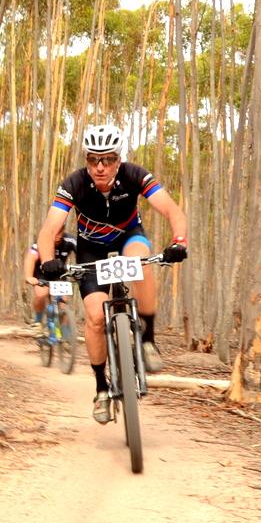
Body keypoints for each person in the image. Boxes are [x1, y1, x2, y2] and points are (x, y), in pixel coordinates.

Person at [35, 124, 187, 424]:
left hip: (129, 237)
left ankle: (148, 339)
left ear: (119, 159)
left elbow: (171, 210)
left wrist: (178, 242)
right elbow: (49, 228)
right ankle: (101, 389)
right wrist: (49, 260)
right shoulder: (74, 183)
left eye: (108, 159)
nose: (100, 167)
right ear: (86, 160)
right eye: (93, 159)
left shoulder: (135, 175)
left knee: (140, 261)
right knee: (93, 318)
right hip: (91, 249)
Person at [22, 224, 77, 331]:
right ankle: (38, 321)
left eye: (60, 234)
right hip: (41, 273)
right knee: (41, 294)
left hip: (59, 274)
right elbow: (30, 258)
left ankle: (66, 337)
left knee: (63, 303)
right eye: (55, 234)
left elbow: (82, 253)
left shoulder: (70, 240)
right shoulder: (41, 241)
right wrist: (28, 276)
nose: (57, 238)